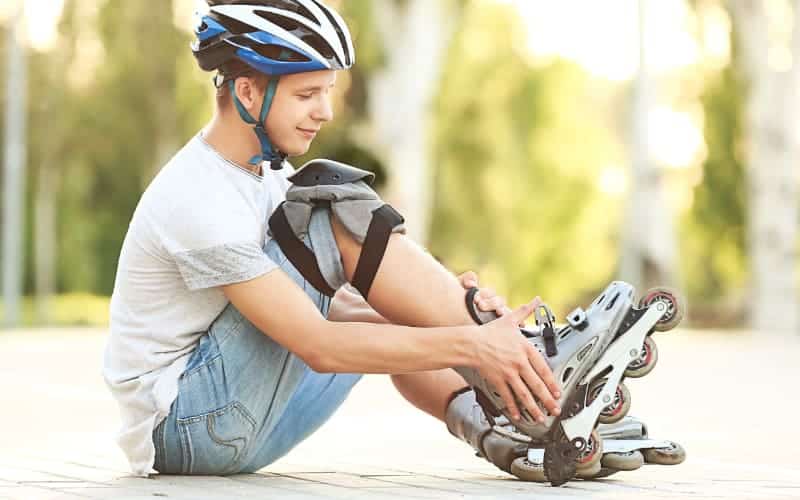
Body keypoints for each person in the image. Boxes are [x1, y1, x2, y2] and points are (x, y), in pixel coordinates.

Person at [103, 0, 563, 479]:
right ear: (248, 91)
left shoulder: (269, 180)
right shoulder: (199, 196)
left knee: (396, 317)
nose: (324, 111)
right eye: (307, 94)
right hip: (188, 426)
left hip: (230, 425)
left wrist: (441, 311)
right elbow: (319, 344)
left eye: (327, 92)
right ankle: (534, 362)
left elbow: (330, 309)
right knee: (328, 208)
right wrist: (471, 342)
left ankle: (511, 423)